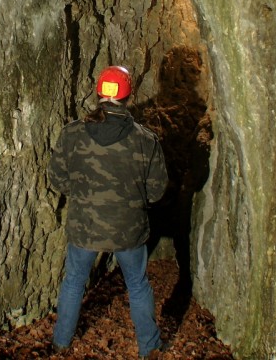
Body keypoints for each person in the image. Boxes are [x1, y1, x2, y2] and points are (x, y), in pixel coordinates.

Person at [48, 65, 169, 359]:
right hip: (128, 229)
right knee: (138, 285)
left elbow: (57, 179)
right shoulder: (145, 139)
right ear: (128, 96)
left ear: (99, 92)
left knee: (74, 281)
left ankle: (61, 343)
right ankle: (149, 348)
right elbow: (157, 190)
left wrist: (83, 196)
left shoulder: (73, 133)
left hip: (85, 226)